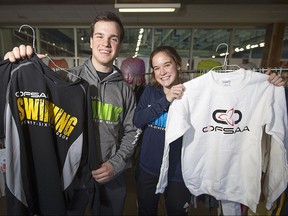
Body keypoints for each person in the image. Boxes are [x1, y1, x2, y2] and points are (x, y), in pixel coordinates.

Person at [4, 11, 141, 216]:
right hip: (72, 176)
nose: (106, 43)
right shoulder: (66, 79)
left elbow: (133, 131)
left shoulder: (125, 91)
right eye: (100, 36)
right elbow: (34, 113)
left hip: (110, 175)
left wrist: (116, 164)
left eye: (113, 38)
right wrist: (18, 65)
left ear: (119, 44)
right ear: (91, 41)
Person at [133, 45, 285, 216]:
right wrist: (166, 99)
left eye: (167, 65)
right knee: (146, 211)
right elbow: (138, 120)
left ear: (177, 64)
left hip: (179, 172)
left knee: (177, 212)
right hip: (149, 168)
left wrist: (266, 85)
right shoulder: (151, 91)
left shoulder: (194, 92)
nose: (162, 72)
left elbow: (227, 98)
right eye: (156, 68)